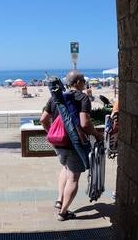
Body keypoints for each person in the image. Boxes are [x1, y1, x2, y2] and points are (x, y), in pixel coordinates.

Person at [40, 71, 99, 221]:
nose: (85, 82)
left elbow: (43, 120)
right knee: (73, 177)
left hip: (58, 143)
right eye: (83, 80)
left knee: (66, 168)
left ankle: (60, 200)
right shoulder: (82, 97)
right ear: (78, 82)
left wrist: (52, 134)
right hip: (74, 144)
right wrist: (96, 134)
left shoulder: (55, 97)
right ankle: (63, 212)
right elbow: (85, 123)